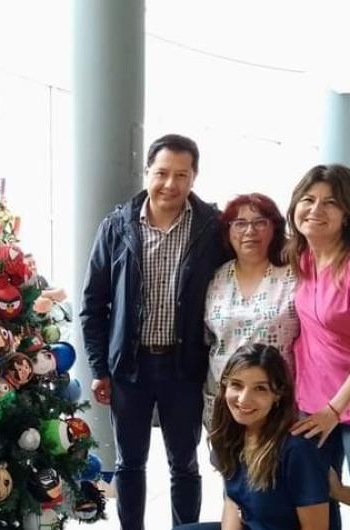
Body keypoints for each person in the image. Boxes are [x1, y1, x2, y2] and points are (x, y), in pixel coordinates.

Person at [80, 134, 227, 529]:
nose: (170, 184)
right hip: (130, 366)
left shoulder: (212, 227)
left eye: (182, 174)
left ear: (194, 178)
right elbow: (92, 305)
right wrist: (99, 368)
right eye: (162, 173)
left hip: (185, 365)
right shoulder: (116, 225)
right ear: (147, 172)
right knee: (129, 463)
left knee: (184, 463)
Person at [173, 344, 332, 530]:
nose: (243, 399)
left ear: (278, 395)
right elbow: (232, 501)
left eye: (260, 389)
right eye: (236, 385)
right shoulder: (232, 432)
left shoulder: (297, 448)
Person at [285, 164, 350, 518]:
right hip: (310, 404)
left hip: (337, 406)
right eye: (308, 199)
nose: (316, 210)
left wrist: (334, 409)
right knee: (319, 502)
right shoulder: (301, 258)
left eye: (331, 203)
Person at [202, 193, 298, 427]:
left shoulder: (294, 275)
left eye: (260, 222)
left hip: (275, 398)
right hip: (226, 398)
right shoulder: (217, 277)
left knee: (277, 461)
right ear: (228, 231)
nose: (249, 231)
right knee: (228, 462)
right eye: (240, 223)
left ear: (274, 228)